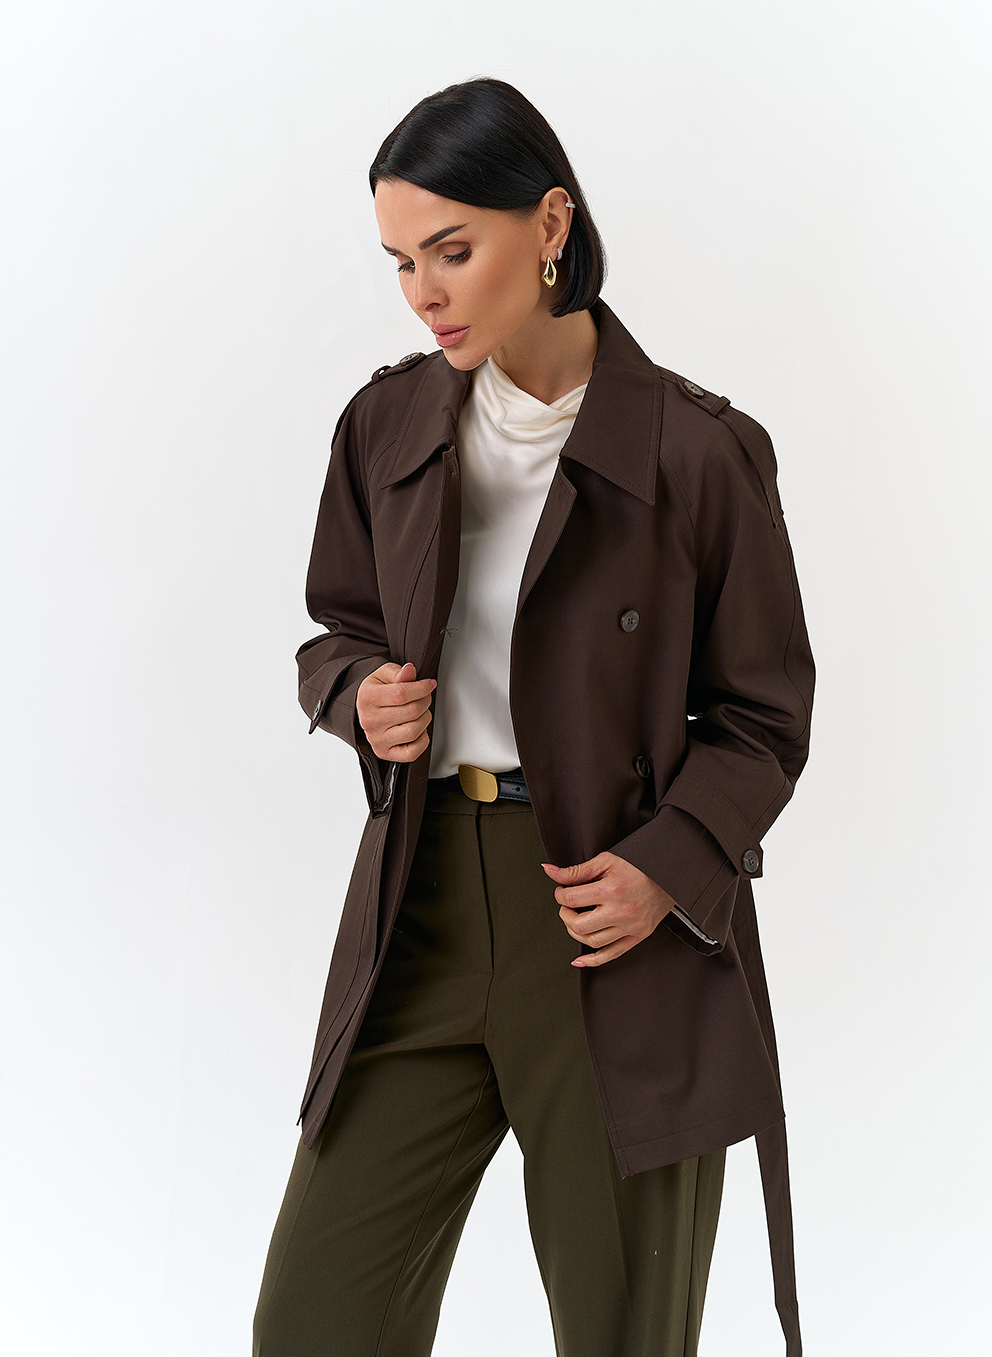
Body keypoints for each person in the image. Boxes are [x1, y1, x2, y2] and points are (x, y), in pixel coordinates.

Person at [253, 77, 814, 1357]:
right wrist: (357, 695)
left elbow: (764, 715)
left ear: (549, 223)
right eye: (401, 261)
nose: (423, 292)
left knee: (622, 1335)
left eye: (451, 250)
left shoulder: (697, 452)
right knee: (312, 1325)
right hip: (421, 905)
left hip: (611, 928)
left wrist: (668, 863)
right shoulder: (386, 422)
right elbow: (334, 626)